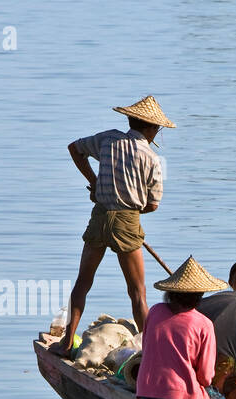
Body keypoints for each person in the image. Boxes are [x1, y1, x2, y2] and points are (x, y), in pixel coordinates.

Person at [51, 96, 173, 356]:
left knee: (83, 283)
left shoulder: (109, 140)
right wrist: (130, 205)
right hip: (127, 221)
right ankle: (152, 353)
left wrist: (95, 183)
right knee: (137, 292)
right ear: (151, 128)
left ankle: (66, 342)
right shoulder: (150, 157)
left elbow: (75, 148)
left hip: (100, 216)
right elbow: (153, 205)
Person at [135, 256, 226, 399]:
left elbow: (146, 349)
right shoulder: (204, 324)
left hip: (147, 397)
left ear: (171, 293)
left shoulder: (155, 311)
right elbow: (205, 377)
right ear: (199, 296)